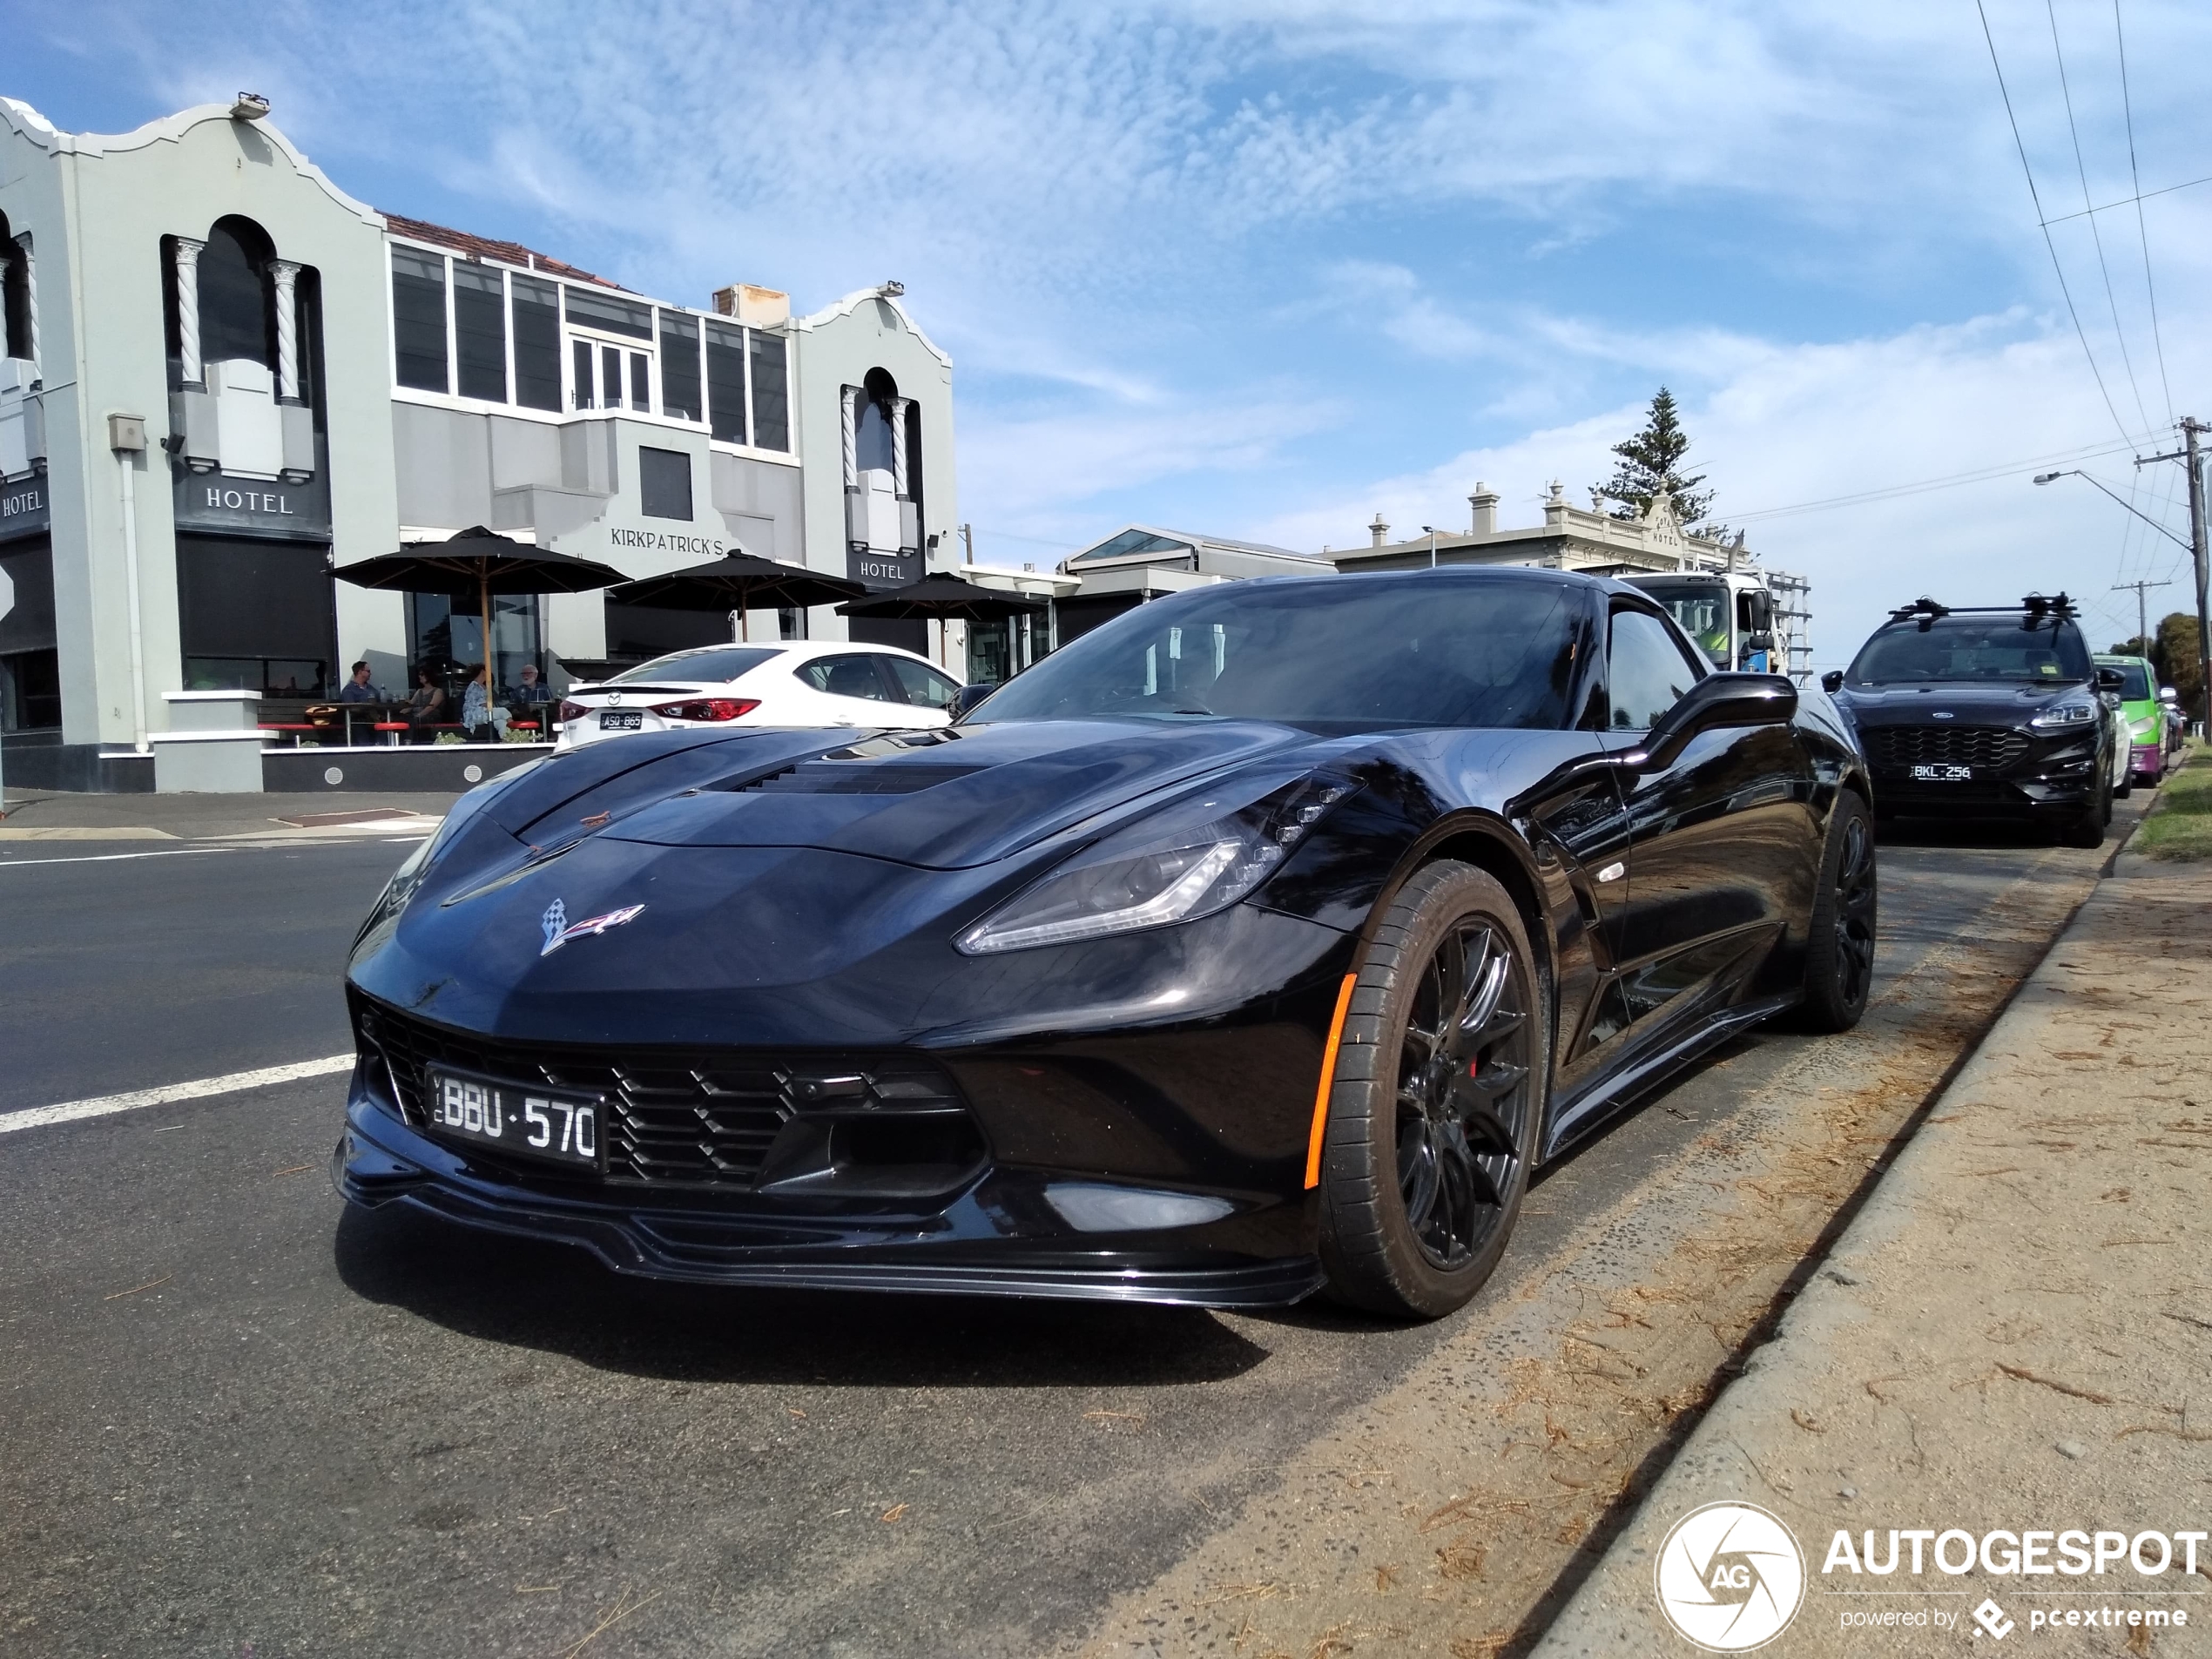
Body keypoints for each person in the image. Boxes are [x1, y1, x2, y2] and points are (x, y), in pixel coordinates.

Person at [405, 667, 447, 741]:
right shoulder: (419, 691)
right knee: (405, 720)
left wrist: (418, 716)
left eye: (422, 674)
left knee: (412, 721)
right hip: (418, 715)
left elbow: (431, 707)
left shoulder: (437, 691)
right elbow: (411, 705)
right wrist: (401, 712)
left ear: (428, 676)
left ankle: (408, 741)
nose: (419, 676)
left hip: (431, 716)